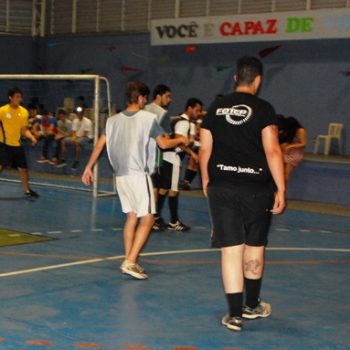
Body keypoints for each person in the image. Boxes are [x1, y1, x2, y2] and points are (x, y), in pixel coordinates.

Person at [199, 56, 285, 332]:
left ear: (235, 78)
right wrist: (281, 188)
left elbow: (204, 149)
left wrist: (205, 179)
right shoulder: (264, 109)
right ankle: (252, 305)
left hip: (222, 186)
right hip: (256, 189)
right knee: (255, 245)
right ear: (258, 80)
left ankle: (234, 315)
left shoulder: (216, 107)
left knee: (231, 250)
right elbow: (273, 150)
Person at [81, 80, 188, 280]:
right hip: (138, 174)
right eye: (144, 98)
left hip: (120, 176)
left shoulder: (112, 121)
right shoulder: (148, 118)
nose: (145, 101)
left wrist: (88, 167)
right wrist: (181, 140)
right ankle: (130, 261)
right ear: (139, 98)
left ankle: (130, 259)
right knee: (148, 218)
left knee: (131, 217)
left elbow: (99, 145)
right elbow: (164, 144)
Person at [156, 97, 203, 231]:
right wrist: (192, 153)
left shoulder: (178, 119)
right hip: (173, 157)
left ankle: (156, 218)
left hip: (167, 156)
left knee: (165, 188)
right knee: (173, 190)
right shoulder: (184, 123)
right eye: (197, 110)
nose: (198, 113)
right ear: (189, 108)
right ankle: (173, 221)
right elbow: (179, 140)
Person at [0, 87, 39, 198]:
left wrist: (32, 138)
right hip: (4, 144)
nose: (20, 99)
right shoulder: (2, 111)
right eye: (17, 97)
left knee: (24, 169)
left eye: (20, 97)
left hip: (17, 145)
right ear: (10, 98)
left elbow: (24, 130)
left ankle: (27, 190)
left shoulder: (24, 112)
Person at [144, 85, 172, 230]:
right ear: (158, 96)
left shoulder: (144, 109)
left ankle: (152, 216)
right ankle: (152, 218)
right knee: (156, 187)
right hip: (155, 155)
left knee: (154, 187)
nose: (170, 99)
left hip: (141, 155)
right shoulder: (162, 113)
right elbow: (165, 137)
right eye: (167, 96)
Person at [278, 116, 307, 181]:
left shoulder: (301, 131)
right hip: (290, 152)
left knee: (286, 173)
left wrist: (290, 146)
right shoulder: (292, 132)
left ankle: (282, 187)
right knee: (281, 171)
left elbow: (303, 144)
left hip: (295, 154)